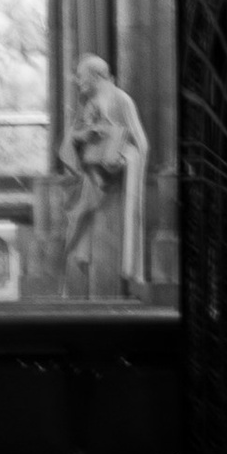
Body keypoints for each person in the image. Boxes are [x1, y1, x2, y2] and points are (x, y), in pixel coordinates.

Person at [58, 52, 150, 296]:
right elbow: (70, 142)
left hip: (115, 191)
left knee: (107, 250)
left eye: (81, 76)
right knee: (80, 243)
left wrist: (120, 158)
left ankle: (111, 296)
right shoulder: (87, 103)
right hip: (90, 183)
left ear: (97, 76)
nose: (78, 82)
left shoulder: (121, 101)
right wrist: (82, 137)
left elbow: (140, 145)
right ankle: (85, 296)